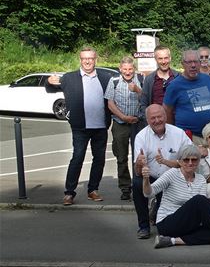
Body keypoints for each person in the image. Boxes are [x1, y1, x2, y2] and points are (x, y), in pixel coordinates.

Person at [47, 46, 114, 206]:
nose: (87, 61)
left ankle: (93, 190)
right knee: (77, 157)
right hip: (80, 127)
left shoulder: (105, 77)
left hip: (100, 127)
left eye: (90, 58)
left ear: (95, 59)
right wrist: (49, 82)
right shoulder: (69, 78)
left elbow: (113, 97)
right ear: (80, 60)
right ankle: (69, 193)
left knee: (99, 159)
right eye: (84, 58)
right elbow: (50, 89)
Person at [132, 104, 192, 239]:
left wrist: (167, 162)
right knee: (136, 183)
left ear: (165, 116)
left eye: (159, 116)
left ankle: (157, 214)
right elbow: (137, 171)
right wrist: (139, 163)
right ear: (147, 120)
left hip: (172, 176)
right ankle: (143, 226)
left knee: (163, 226)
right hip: (150, 176)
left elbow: (190, 157)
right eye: (153, 118)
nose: (157, 120)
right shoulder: (141, 136)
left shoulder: (178, 133)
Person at [104, 56, 143, 201]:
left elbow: (146, 99)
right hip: (120, 123)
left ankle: (139, 186)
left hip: (137, 123)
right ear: (120, 69)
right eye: (125, 69)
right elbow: (110, 103)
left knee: (139, 157)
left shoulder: (141, 79)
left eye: (130, 69)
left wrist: (138, 90)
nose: (127, 72)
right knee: (121, 157)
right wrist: (123, 117)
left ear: (134, 69)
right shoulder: (113, 81)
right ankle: (125, 187)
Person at [163, 50, 210, 144]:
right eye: (189, 62)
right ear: (182, 64)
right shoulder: (174, 86)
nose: (193, 65)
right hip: (188, 137)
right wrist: (173, 133)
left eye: (196, 61)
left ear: (200, 63)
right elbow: (167, 110)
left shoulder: (207, 79)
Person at [139, 46, 180, 119]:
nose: (163, 62)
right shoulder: (149, 79)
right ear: (155, 59)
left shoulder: (179, 77)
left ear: (170, 58)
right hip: (156, 122)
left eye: (166, 58)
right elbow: (143, 103)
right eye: (160, 58)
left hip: (177, 121)